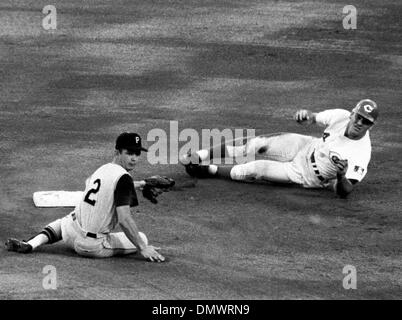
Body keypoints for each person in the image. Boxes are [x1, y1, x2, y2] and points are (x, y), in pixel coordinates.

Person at [6, 132, 165, 262]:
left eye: (137, 154)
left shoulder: (103, 169)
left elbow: (103, 186)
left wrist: (141, 183)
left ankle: (31, 244)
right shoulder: (123, 179)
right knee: (142, 238)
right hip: (91, 246)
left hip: (70, 232)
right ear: (117, 152)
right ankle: (141, 244)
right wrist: (142, 247)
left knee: (64, 222)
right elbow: (124, 219)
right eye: (129, 153)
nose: (134, 158)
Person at [181, 99, 379, 198]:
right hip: (306, 145)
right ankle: (199, 155)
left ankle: (207, 170)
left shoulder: (361, 153)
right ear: (353, 113)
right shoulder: (340, 116)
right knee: (257, 145)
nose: (360, 123)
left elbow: (345, 191)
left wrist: (342, 176)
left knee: (254, 169)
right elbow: (313, 117)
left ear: (371, 125)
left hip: (306, 174)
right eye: (358, 117)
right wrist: (305, 116)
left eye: (366, 121)